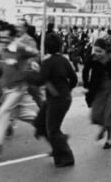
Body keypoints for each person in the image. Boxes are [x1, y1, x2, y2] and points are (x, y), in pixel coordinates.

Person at [0, 24, 39, 156]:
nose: (3, 40)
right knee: (22, 113)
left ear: (13, 37)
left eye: (6, 37)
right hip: (6, 89)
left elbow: (35, 53)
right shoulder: (1, 50)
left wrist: (31, 63)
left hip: (18, 88)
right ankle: (44, 124)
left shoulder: (19, 48)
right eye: (1, 37)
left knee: (3, 111)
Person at [34, 33, 77, 167]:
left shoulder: (47, 63)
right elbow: (74, 79)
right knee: (40, 123)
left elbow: (39, 80)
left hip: (56, 100)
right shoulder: (63, 60)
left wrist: (30, 73)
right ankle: (58, 145)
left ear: (46, 48)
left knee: (53, 129)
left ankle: (66, 156)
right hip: (61, 98)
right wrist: (66, 90)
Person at [83, 38, 111, 149]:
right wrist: (86, 84)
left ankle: (108, 138)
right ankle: (103, 127)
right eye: (95, 50)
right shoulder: (92, 59)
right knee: (95, 115)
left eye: (100, 51)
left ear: (105, 50)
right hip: (99, 90)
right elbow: (85, 71)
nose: (97, 54)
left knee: (109, 114)